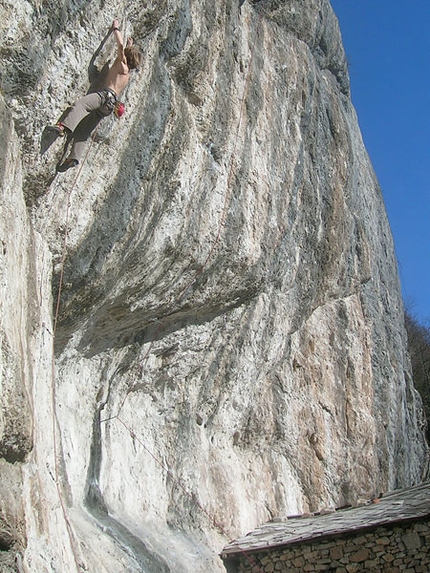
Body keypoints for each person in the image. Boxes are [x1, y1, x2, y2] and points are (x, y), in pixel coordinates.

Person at [47, 20, 142, 172]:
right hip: (110, 106)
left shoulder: (121, 63)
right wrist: (130, 46)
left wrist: (116, 29)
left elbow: (119, 45)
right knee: (84, 131)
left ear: (126, 56)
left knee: (81, 105)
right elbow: (125, 51)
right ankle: (74, 157)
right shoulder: (127, 74)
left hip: (104, 96)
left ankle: (62, 127)